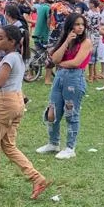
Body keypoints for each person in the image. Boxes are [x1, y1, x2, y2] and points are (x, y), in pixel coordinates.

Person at [0, 25, 50, 199]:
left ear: (12, 41)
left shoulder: (10, 59)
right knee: (8, 145)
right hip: (18, 101)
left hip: (6, 103)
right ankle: (37, 178)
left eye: (0, 38)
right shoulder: (20, 57)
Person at [37, 13, 92, 160]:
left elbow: (76, 62)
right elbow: (55, 57)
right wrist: (66, 42)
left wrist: (59, 64)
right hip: (60, 78)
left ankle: (70, 147)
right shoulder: (66, 40)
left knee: (71, 113)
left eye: (82, 25)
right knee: (52, 111)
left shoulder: (86, 42)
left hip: (74, 78)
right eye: (77, 24)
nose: (80, 27)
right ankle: (53, 143)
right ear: (70, 26)